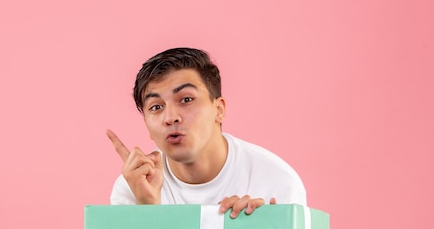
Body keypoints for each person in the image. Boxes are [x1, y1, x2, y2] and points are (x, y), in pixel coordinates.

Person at [107, 47, 306, 218]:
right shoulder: (136, 184)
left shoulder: (276, 181)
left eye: (186, 100)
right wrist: (148, 210)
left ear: (219, 110)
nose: (170, 117)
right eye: (156, 107)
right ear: (147, 126)